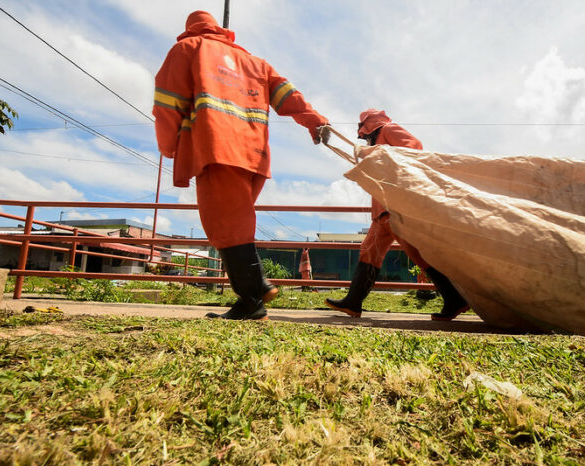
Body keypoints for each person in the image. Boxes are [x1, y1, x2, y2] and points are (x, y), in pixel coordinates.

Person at [153, 10, 329, 320]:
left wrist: (169, 148)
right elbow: (291, 97)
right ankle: (255, 290)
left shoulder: (188, 49)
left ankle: (253, 299)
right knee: (235, 223)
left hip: (216, 147)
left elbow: (168, 104)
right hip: (254, 155)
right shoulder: (257, 64)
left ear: (189, 29)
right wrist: (315, 122)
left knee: (224, 225)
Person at [325, 109, 469, 321]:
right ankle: (353, 302)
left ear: (370, 125)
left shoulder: (389, 130)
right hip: (382, 211)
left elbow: (414, 148)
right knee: (368, 252)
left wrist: (377, 153)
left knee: (417, 253)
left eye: (364, 132)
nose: (363, 137)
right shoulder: (375, 144)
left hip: (395, 207)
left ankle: (454, 298)